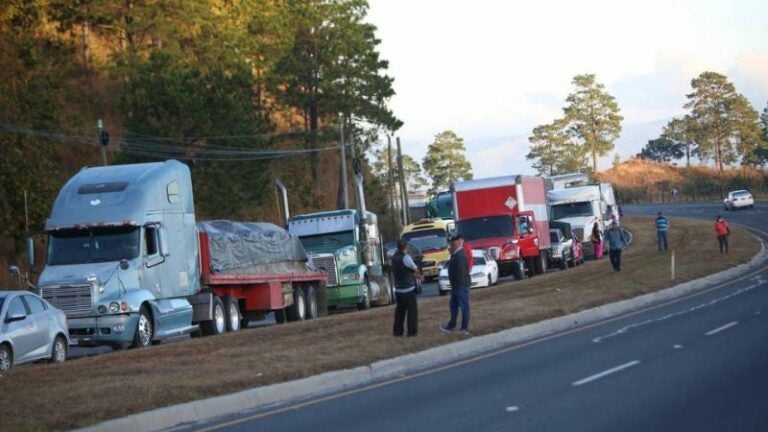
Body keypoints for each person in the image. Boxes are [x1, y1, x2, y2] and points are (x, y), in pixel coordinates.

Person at [440, 234, 471, 335]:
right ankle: (451, 326)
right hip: (456, 285)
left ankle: (464, 328)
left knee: (464, 306)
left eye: (453, 242)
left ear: (458, 242)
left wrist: (457, 283)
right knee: (453, 306)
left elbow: (461, 272)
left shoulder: (461, 255)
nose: (451, 245)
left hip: (460, 285)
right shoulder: (456, 254)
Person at [391, 239, 421, 337]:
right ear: (406, 247)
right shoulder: (406, 257)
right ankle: (412, 332)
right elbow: (414, 269)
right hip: (408, 289)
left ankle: (397, 331)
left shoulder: (394, 258)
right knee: (412, 312)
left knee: (400, 311)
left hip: (398, 289)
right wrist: (419, 275)